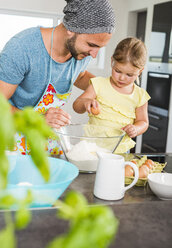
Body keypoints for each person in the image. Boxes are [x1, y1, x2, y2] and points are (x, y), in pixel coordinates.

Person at [0, 0, 115, 155]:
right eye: (91, 45)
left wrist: (110, 87)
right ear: (70, 29)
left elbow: (78, 76)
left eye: (99, 48)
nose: (94, 55)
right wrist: (38, 120)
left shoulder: (81, 54)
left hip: (47, 143)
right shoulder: (22, 48)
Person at [73, 37, 151, 153]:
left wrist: (136, 128)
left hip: (120, 150)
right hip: (92, 146)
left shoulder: (140, 96)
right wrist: (86, 102)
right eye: (118, 71)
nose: (122, 78)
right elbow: (77, 106)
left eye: (129, 75)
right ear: (112, 62)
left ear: (140, 71)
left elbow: (144, 122)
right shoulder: (98, 84)